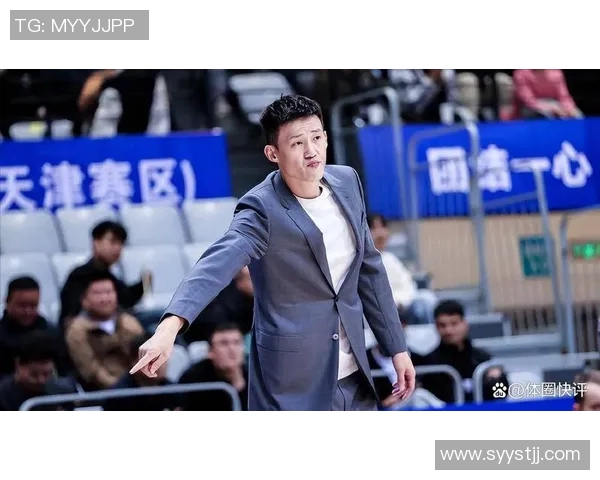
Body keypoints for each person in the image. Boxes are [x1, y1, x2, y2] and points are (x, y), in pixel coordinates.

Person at [131, 94, 415, 411]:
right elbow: (214, 266)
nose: (311, 151)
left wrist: (397, 348)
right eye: (297, 143)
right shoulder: (261, 209)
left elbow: (369, 269)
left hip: (354, 373)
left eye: (316, 137)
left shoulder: (347, 181)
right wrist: (169, 327)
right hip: (292, 382)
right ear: (272, 153)